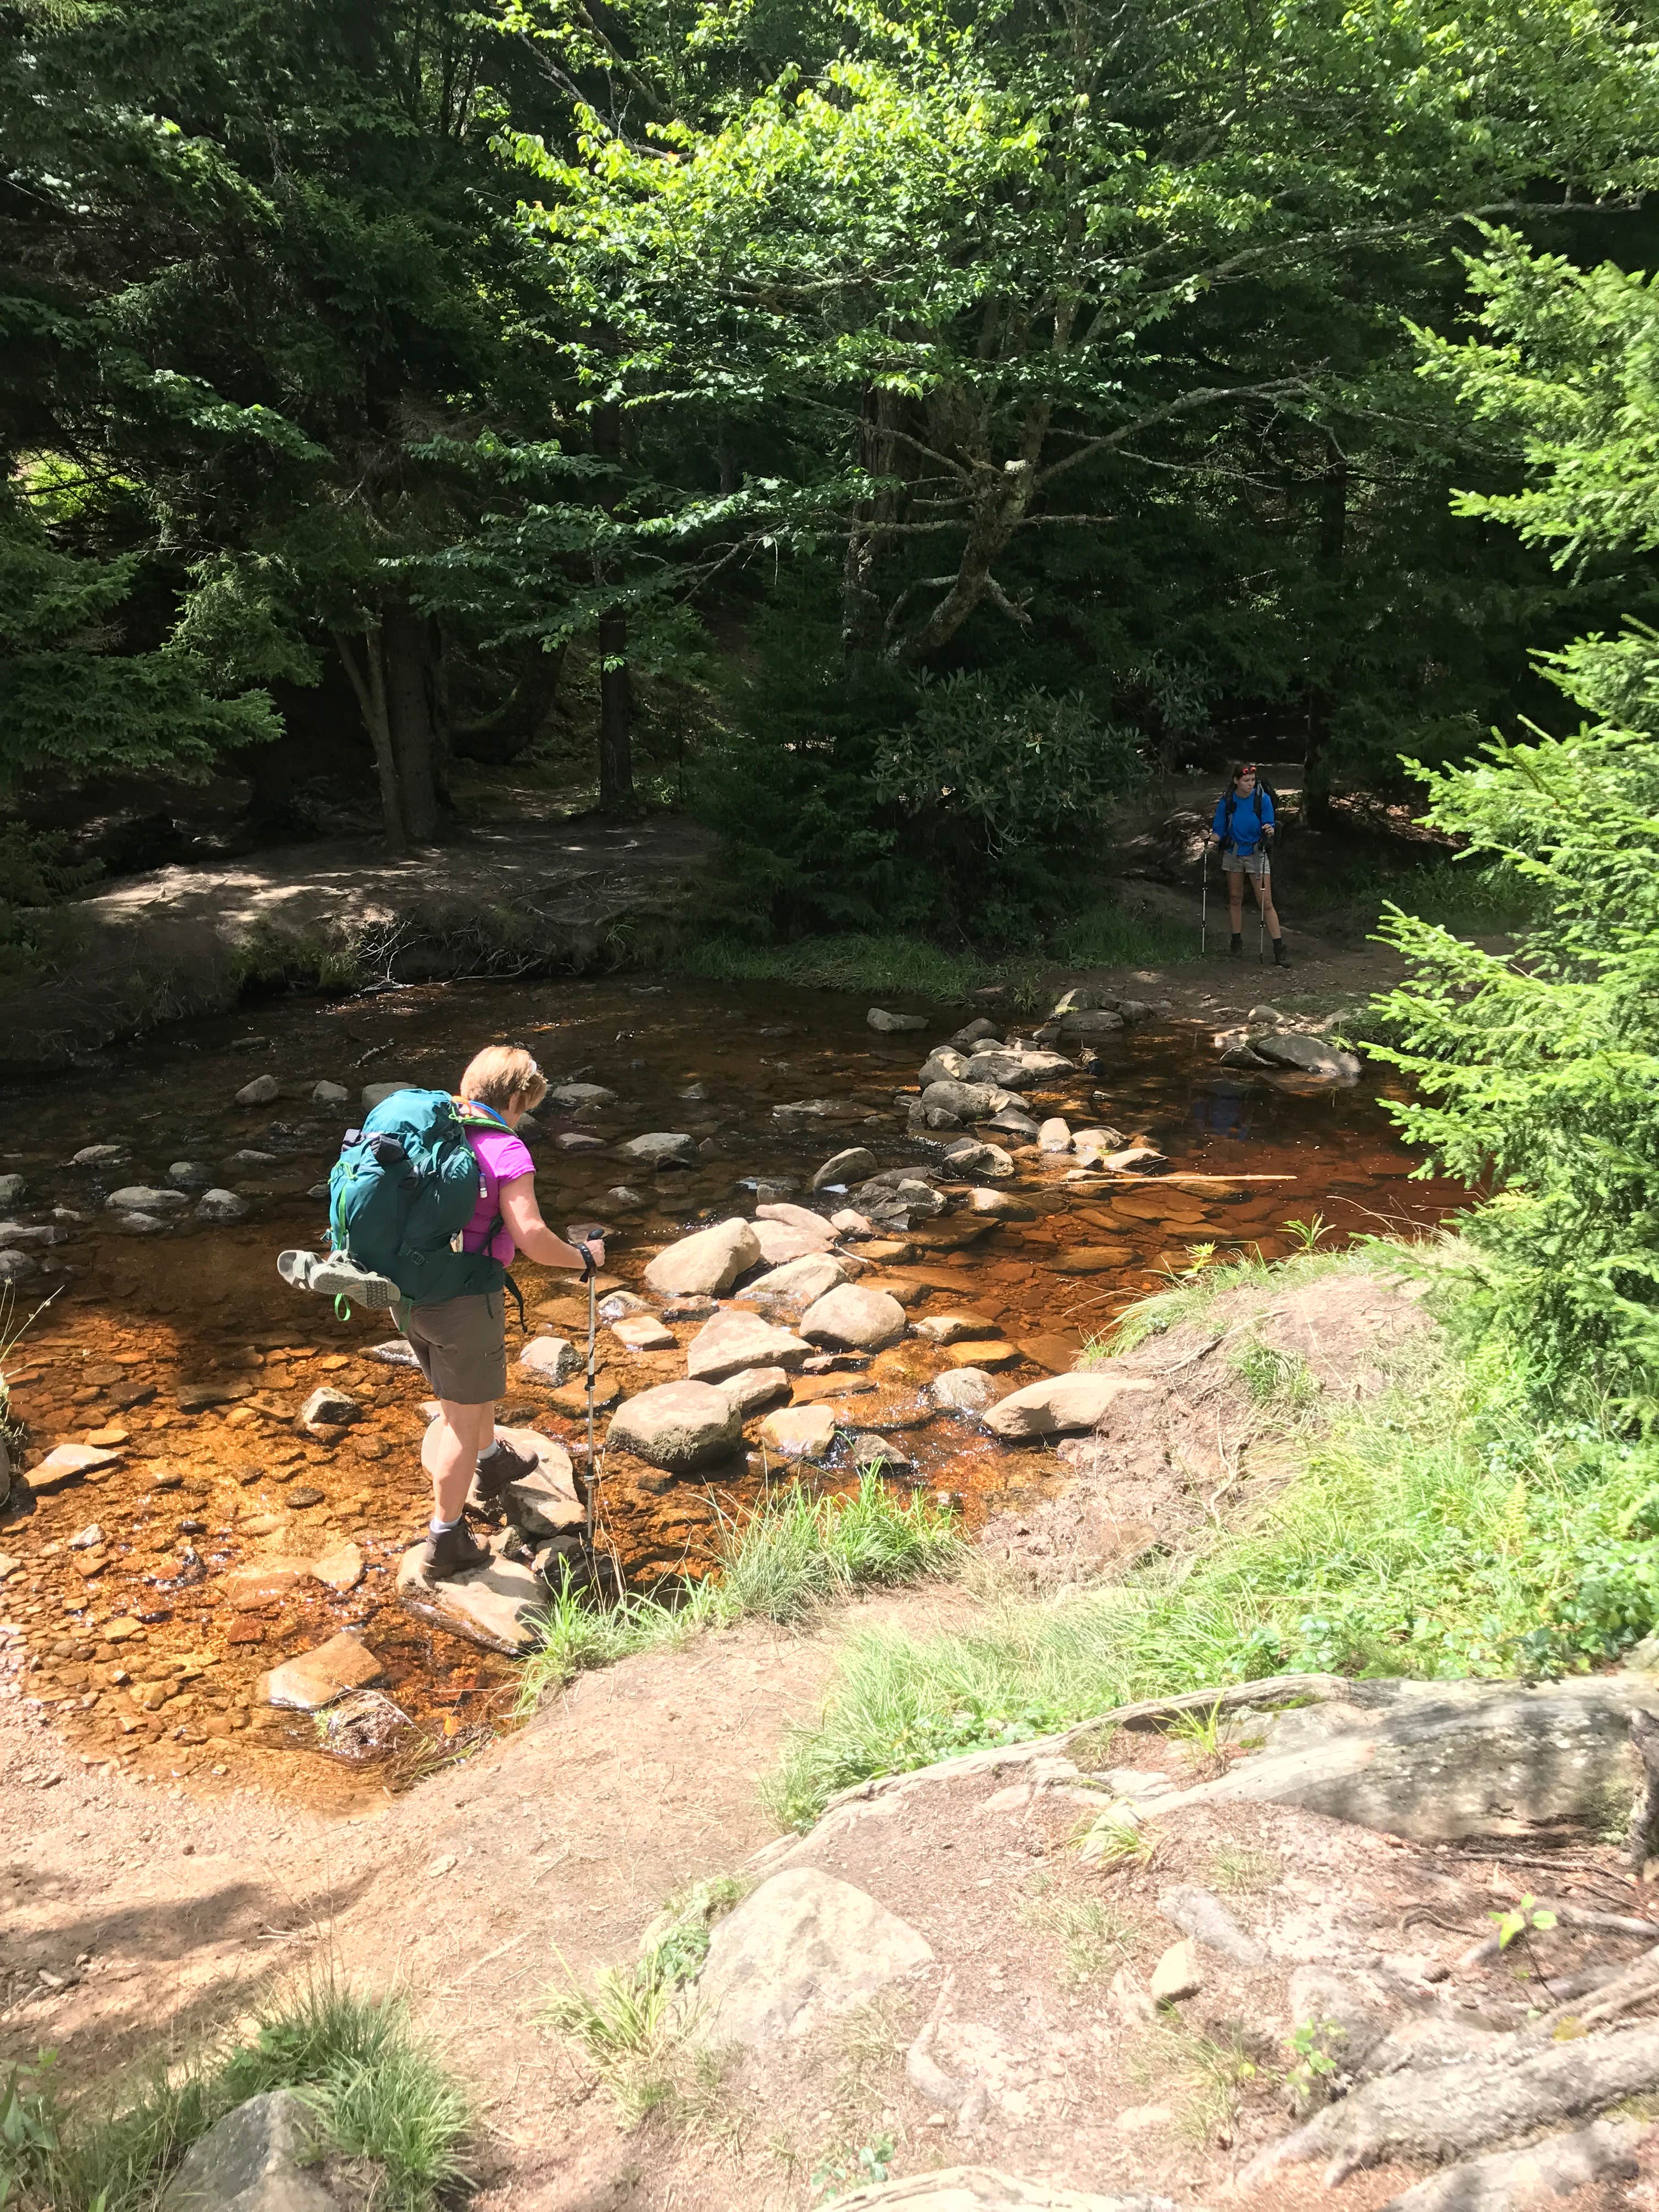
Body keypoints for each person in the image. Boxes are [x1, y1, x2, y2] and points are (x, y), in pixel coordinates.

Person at [403, 1045, 605, 1580]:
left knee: (466, 1394)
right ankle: (445, 1541)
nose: (522, 1118)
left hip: (410, 1295)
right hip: (465, 1299)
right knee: (458, 1422)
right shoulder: (504, 1148)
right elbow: (533, 1237)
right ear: (514, 1099)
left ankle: (492, 1462)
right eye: (525, 1107)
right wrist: (582, 1257)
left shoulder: (432, 1135)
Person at [1209, 761, 1286, 964]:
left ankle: (1280, 949)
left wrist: (1270, 830)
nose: (1250, 784)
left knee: (1266, 903)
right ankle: (1236, 942)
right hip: (1233, 853)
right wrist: (1210, 838)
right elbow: (1219, 831)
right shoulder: (1227, 801)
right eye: (1246, 781)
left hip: (1256, 852)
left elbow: (1269, 824)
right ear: (1236, 781)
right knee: (1235, 898)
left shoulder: (1263, 799)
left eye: (1252, 780)